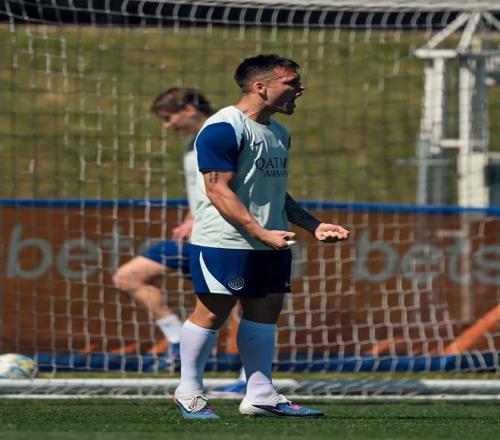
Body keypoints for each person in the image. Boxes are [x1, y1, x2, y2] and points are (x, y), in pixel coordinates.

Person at [173, 54, 350, 419]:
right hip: (225, 241)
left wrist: (313, 225)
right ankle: (188, 391)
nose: (300, 89)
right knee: (212, 314)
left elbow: (275, 192)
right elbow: (217, 190)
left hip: (271, 240)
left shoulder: (279, 133)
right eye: (292, 82)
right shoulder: (224, 128)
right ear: (261, 87)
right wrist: (259, 232)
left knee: (265, 312)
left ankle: (260, 395)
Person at [112, 87, 215, 364]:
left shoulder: (221, 137)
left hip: (222, 238)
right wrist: (190, 220)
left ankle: (249, 377)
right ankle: (178, 341)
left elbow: (230, 188)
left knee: (244, 304)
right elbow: (204, 191)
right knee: (128, 276)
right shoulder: (192, 145)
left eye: (169, 118)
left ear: (189, 109)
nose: (167, 126)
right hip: (197, 236)